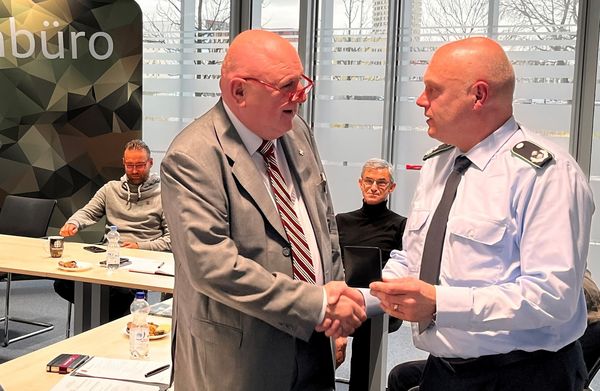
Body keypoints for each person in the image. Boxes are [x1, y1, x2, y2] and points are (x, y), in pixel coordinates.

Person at [364, 37, 594, 390]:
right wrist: (369, 295)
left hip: (524, 374)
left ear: (479, 95)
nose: (421, 100)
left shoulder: (545, 173)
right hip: (445, 370)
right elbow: (413, 257)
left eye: (433, 90)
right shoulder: (438, 165)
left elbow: (552, 296)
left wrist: (440, 303)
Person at [160, 29, 366, 391]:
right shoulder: (193, 157)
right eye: (287, 86)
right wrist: (317, 304)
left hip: (314, 342)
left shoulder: (295, 131)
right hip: (240, 361)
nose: (300, 96)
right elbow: (213, 268)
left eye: (301, 82)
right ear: (239, 91)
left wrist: (334, 293)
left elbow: (323, 224)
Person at [387, 269, 600, 391]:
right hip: (452, 360)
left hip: (524, 364)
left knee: (402, 375)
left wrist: (441, 302)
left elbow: (551, 298)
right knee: (401, 374)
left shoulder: (571, 282)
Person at [55, 139, 171, 319]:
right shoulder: (110, 189)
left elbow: (171, 239)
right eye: (130, 165)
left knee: (119, 293)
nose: (134, 171)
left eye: (140, 165)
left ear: (150, 163)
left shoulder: (165, 194)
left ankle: (105, 321)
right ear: (123, 163)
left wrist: (140, 246)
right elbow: (88, 212)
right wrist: (74, 223)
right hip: (110, 254)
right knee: (64, 283)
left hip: (145, 259)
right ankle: (103, 321)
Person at [335, 158, 406, 390]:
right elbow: (332, 261)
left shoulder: (400, 225)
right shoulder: (342, 221)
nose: (374, 187)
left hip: (381, 301)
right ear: (360, 183)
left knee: (367, 323)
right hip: (346, 293)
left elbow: (404, 267)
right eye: (369, 181)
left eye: (381, 182)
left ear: (391, 188)